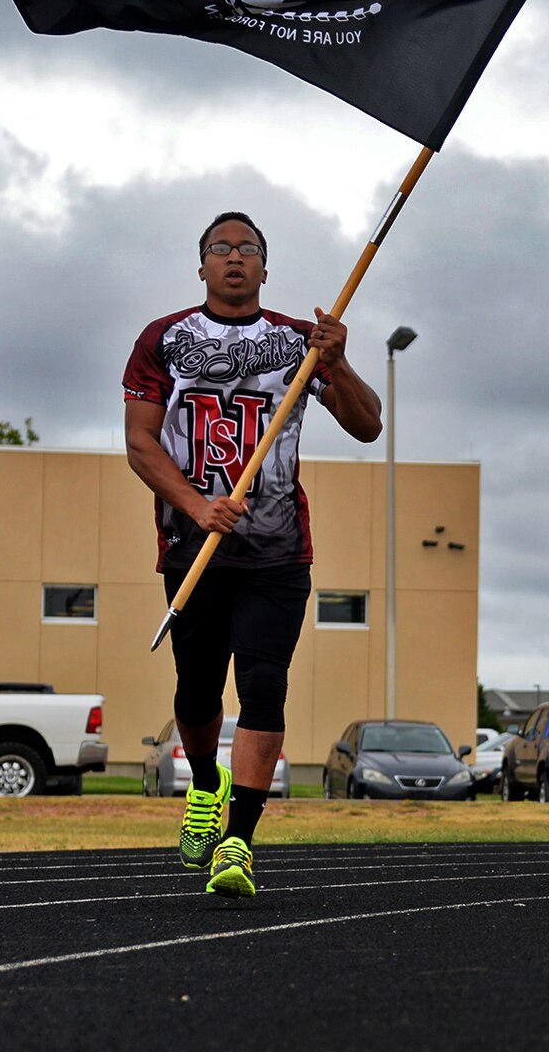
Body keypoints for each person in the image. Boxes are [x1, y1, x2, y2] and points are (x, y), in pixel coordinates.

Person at [122, 211, 381, 897]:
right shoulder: (164, 339)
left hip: (276, 551)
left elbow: (366, 424)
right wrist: (196, 505)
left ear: (266, 268)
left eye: (248, 249)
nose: (234, 257)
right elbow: (141, 443)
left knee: (264, 684)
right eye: (220, 247)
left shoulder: (298, 340)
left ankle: (238, 838)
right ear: (201, 264)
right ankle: (205, 783)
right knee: (197, 688)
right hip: (194, 546)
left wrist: (338, 361)